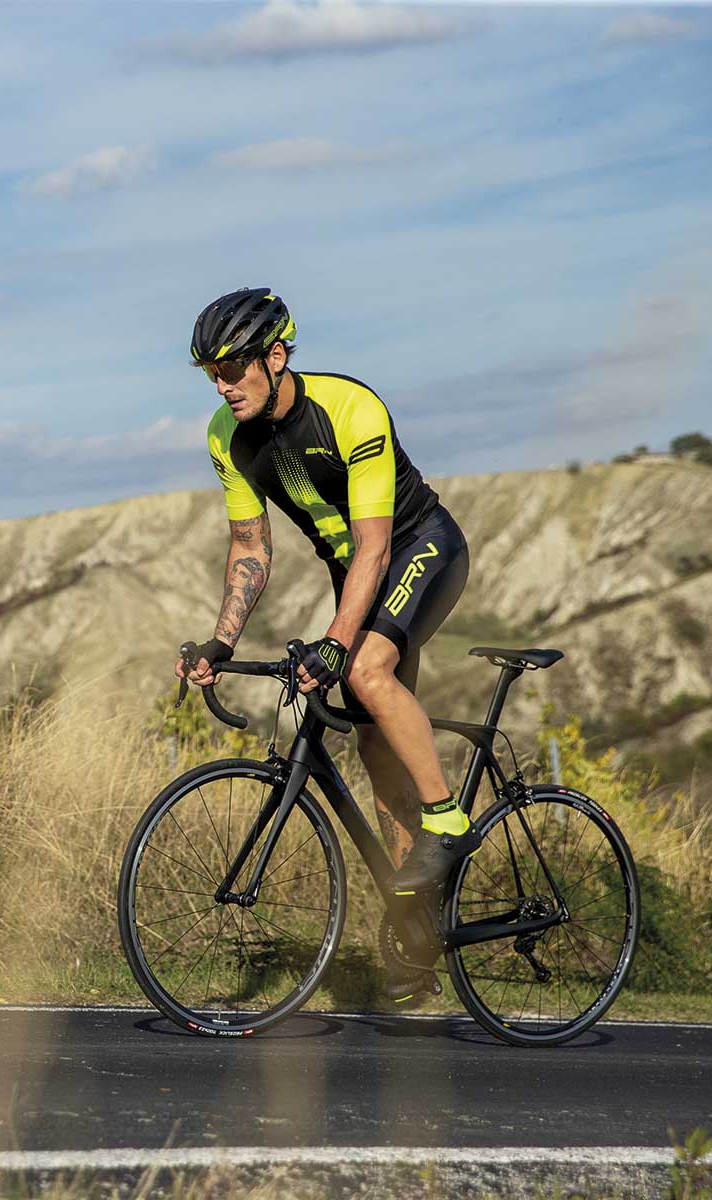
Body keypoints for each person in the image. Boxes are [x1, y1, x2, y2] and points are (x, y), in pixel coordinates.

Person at [176, 287, 478, 1002]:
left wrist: (340, 644)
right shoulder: (227, 435)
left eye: (233, 368)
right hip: (356, 573)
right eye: (210, 373)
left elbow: (375, 547)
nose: (222, 384)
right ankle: (416, 941)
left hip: (419, 548)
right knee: (377, 750)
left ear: (276, 357)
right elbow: (250, 544)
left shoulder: (349, 409)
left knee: (368, 670)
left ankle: (450, 820)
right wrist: (220, 644)